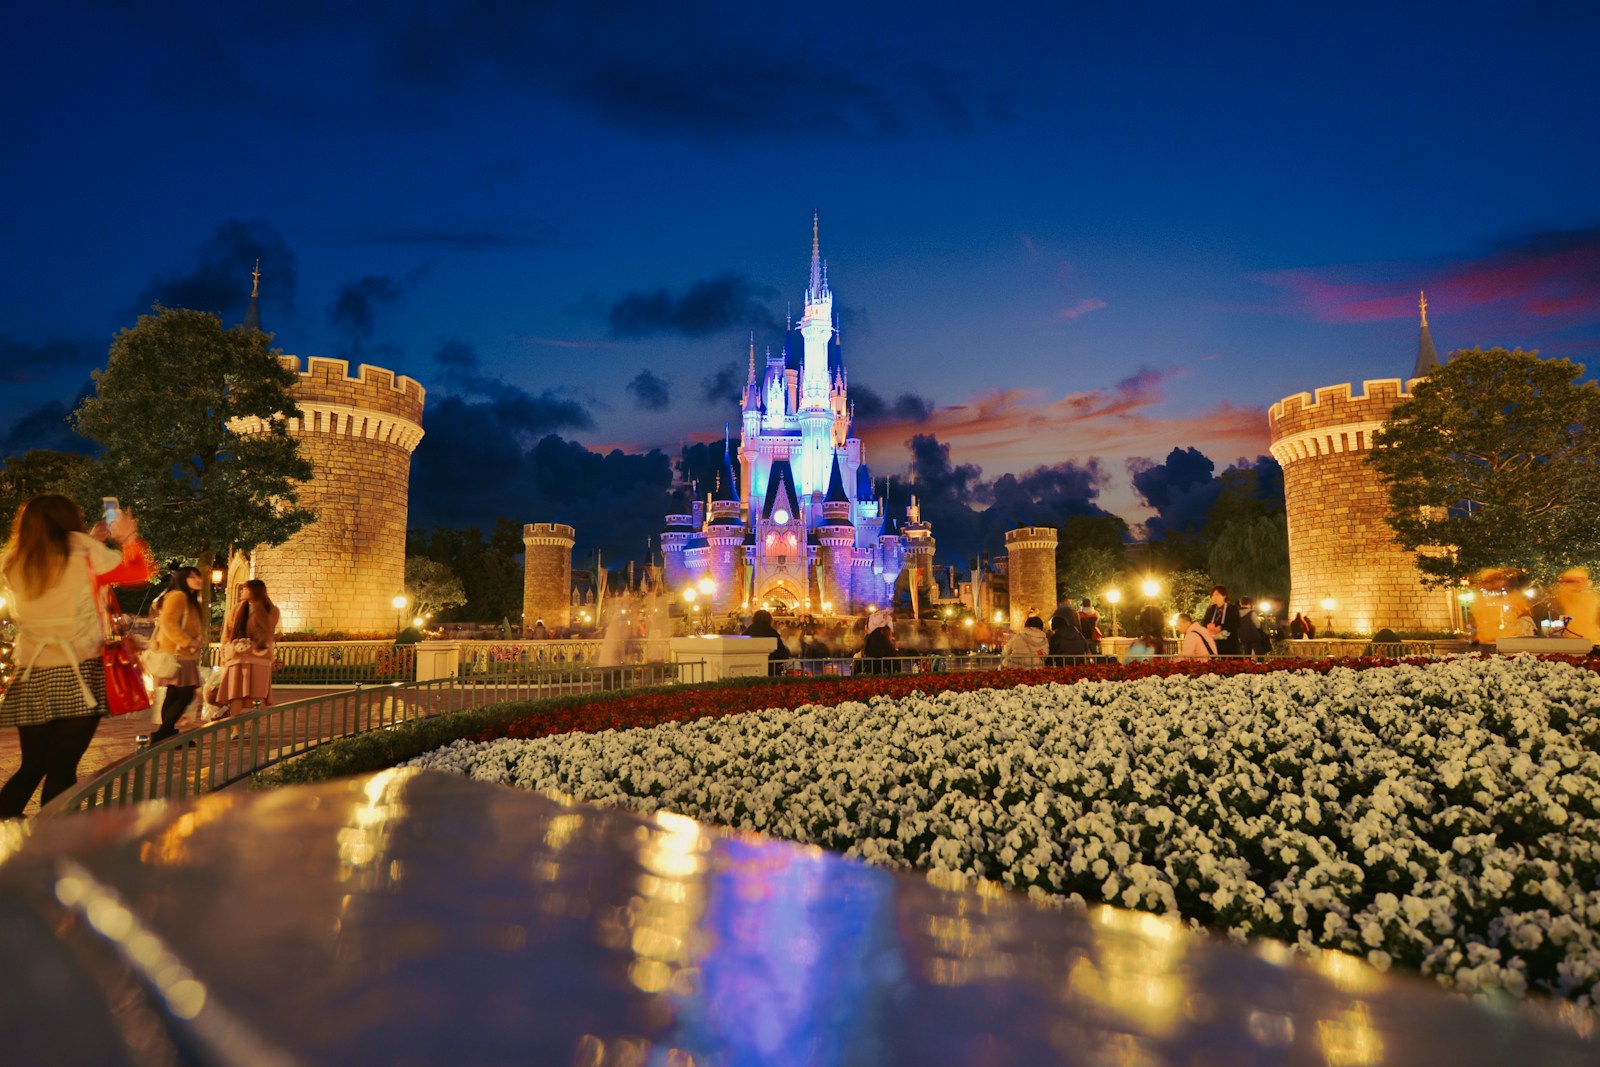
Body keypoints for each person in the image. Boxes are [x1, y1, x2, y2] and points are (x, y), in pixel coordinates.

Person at [0, 494, 152, 816]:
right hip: (80, 670)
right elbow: (136, 574)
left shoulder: (14, 558)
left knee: (32, 766)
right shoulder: (83, 550)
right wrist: (126, 537)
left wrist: (92, 543)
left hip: (32, 673)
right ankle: (53, 841)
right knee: (62, 768)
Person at [147, 567, 205, 744]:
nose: (198, 579)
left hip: (179, 653)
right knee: (185, 694)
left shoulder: (187, 598)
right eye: (193, 576)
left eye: (198, 575)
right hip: (178, 654)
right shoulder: (179, 596)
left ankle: (168, 735)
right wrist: (188, 641)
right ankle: (162, 735)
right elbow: (167, 622)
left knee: (174, 695)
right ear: (182, 578)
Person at [216, 579, 280, 719]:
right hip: (237, 656)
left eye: (245, 589)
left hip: (259, 657)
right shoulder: (237, 609)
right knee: (235, 693)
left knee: (258, 694)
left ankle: (254, 727)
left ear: (255, 591)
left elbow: (266, 632)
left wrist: (258, 609)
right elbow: (227, 632)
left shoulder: (271, 609)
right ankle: (235, 728)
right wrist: (225, 653)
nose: (242, 591)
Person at [743, 609, 791, 674]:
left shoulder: (748, 632)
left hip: (749, 669)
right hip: (770, 669)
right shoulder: (773, 633)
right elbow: (783, 655)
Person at [1203, 586, 1242, 655]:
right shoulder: (1211, 609)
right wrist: (1208, 626)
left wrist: (1221, 627)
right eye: (1213, 595)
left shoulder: (1232, 608)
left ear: (1224, 596)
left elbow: (1236, 624)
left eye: (1217, 594)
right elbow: (1204, 622)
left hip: (1229, 643)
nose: (1214, 597)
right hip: (1214, 642)